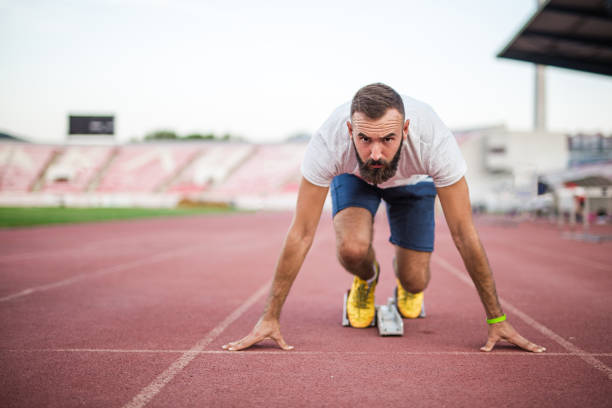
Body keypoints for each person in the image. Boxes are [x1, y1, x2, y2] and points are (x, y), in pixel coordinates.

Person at [222, 83, 546, 353]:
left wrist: (496, 319)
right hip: (356, 177)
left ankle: (405, 284)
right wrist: (270, 317)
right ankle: (366, 279)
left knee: (415, 279)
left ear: (406, 130)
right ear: (350, 131)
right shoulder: (328, 143)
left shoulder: (435, 141)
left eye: (387, 139)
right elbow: (301, 233)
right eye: (365, 139)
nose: (376, 153)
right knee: (351, 248)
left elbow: (464, 232)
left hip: (414, 183)